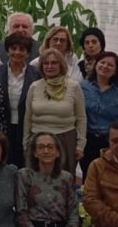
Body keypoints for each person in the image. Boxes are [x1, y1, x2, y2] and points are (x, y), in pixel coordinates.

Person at [23, 48, 85, 179]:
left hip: (65, 140)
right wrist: (26, 143)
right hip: (37, 138)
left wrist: (80, 146)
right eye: (46, 63)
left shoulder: (73, 86)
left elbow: (81, 118)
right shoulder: (34, 86)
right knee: (36, 182)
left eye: (54, 63)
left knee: (62, 182)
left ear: (61, 65)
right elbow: (27, 117)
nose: (49, 66)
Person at [81, 51, 118, 176]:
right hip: (88, 140)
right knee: (88, 176)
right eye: (102, 62)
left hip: (111, 142)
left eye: (110, 65)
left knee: (110, 177)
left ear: (116, 70)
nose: (105, 66)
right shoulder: (83, 87)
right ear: (96, 64)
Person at [0, 33, 40, 168]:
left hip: (26, 127)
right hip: (3, 127)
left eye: (22, 49)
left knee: (25, 164)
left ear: (28, 53)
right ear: (7, 51)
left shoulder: (36, 74)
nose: (17, 52)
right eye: (13, 48)